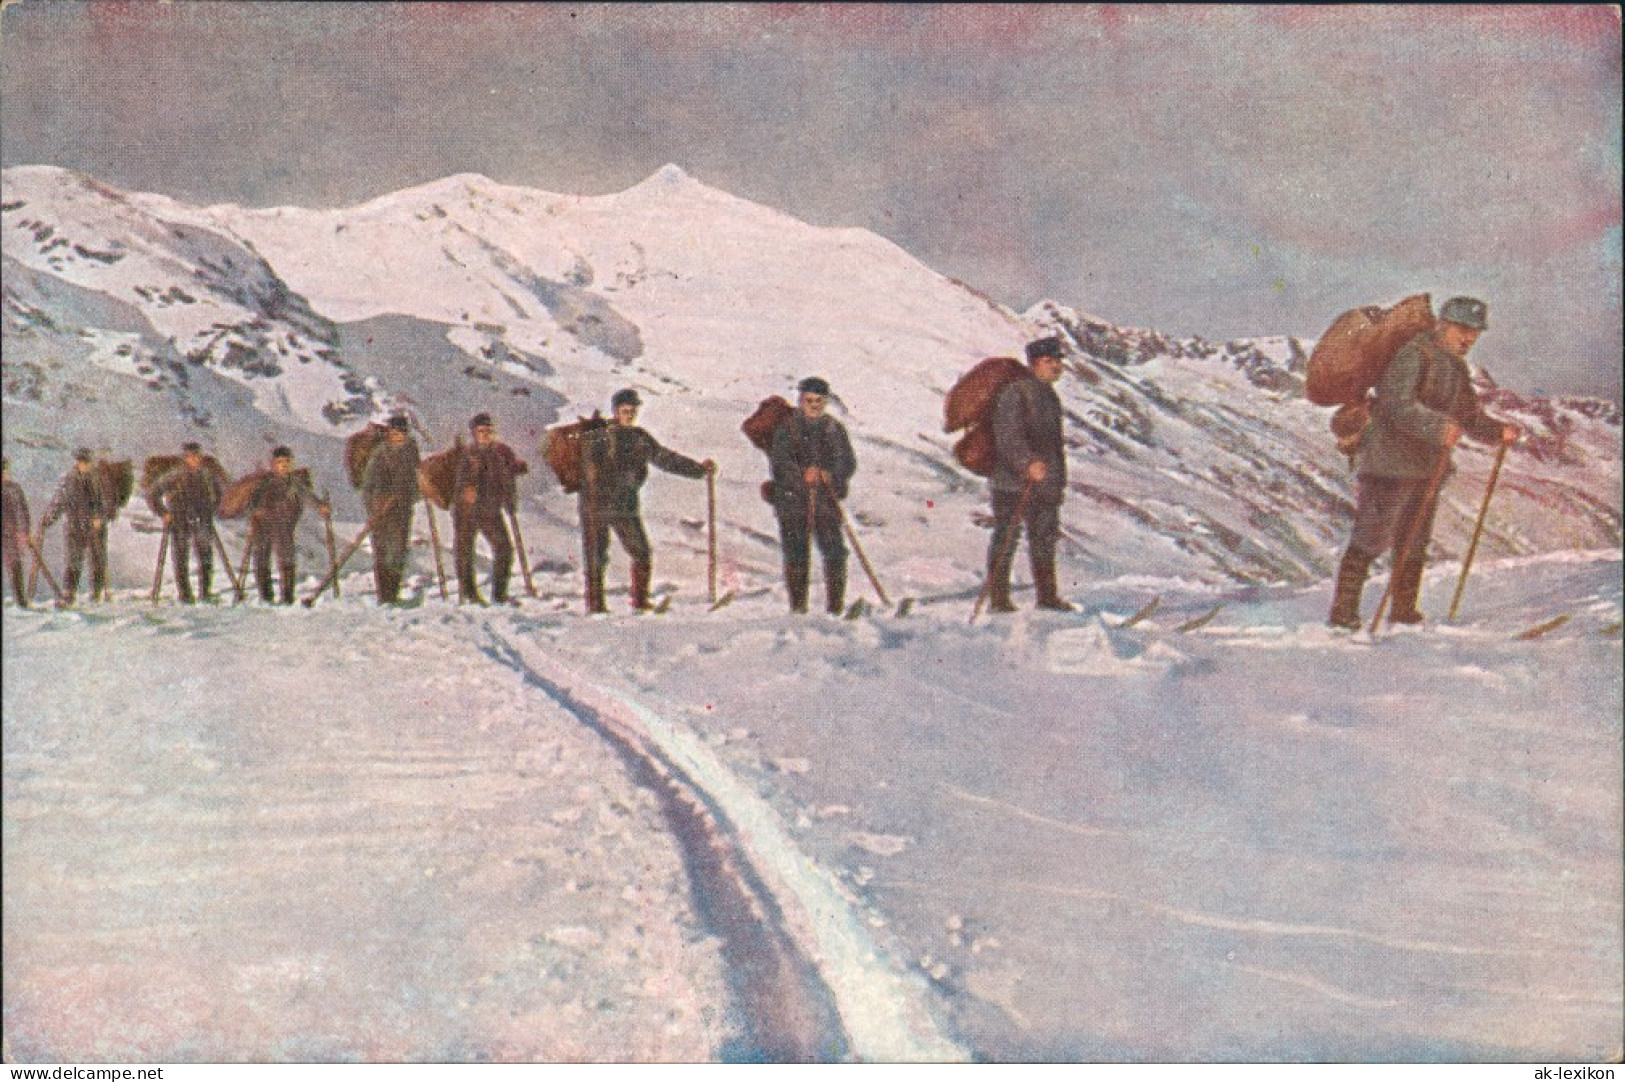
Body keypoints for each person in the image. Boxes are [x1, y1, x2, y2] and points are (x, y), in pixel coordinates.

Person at [1327, 296, 1519, 629]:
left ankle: (1403, 613)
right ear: (1443, 324)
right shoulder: (1413, 356)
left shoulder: (1454, 367)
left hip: (1427, 469)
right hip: (1389, 467)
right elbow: (1396, 406)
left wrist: (1496, 431)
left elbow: (1468, 415)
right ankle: (1343, 615)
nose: (1469, 338)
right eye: (1463, 329)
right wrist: (1437, 426)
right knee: (1370, 539)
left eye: (1475, 332)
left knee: (1413, 543)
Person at [579, 388, 714, 613]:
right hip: (596, 505)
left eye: (633, 410)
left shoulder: (640, 437)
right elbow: (589, 469)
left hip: (625, 505)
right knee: (596, 557)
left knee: (641, 552)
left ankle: (640, 601)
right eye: (625, 410)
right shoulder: (600, 436)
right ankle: (596, 607)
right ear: (615, 411)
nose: (630, 415)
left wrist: (698, 470)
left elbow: (664, 458)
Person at [984, 337, 1075, 613]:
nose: (1056, 367)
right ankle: (999, 600)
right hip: (1012, 483)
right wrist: (1027, 464)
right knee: (1007, 537)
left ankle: (1047, 598)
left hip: (1044, 484)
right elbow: (1008, 436)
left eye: (1058, 361)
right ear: (1034, 364)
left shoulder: (1048, 395)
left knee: (1044, 537)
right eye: (1050, 362)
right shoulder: (1016, 393)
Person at [769, 377, 856, 614]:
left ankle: (835, 607)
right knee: (797, 553)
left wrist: (830, 474)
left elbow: (847, 461)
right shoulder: (787, 428)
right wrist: (802, 475)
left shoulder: (833, 428)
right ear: (800, 400)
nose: (814, 405)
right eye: (809, 400)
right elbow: (780, 464)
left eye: (819, 401)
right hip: (792, 501)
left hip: (825, 501)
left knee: (835, 551)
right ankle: (798, 609)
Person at [451, 413, 528, 606]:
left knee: (505, 550)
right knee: (464, 552)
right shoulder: (467, 455)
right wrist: (467, 492)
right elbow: (459, 484)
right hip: (467, 512)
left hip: (490, 511)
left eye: (488, 431)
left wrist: (510, 502)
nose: (485, 435)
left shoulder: (497, 454)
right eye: (481, 431)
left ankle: (499, 595)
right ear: (474, 434)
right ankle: (469, 594)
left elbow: (506, 480)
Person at [246, 446, 330, 605]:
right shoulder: (264, 483)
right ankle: (265, 596)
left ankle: (287, 597)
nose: (282, 465)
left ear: (291, 463)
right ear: (273, 464)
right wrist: (255, 512)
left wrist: (320, 506)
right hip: (264, 525)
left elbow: (307, 496)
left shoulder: (294, 483)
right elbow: (252, 503)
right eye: (279, 462)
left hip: (284, 526)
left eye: (286, 462)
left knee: (287, 560)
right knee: (262, 559)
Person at [147, 442, 224, 604]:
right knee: (181, 557)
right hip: (179, 519)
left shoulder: (207, 475)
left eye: (196, 456)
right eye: (190, 456)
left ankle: (205, 593)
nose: (194, 459)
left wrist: (211, 508)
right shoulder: (175, 476)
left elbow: (219, 494)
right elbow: (153, 493)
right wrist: (164, 513)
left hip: (202, 518)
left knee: (205, 556)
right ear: (185, 458)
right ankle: (185, 594)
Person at [360, 414, 421, 605]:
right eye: (394, 432)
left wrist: (412, 494)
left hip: (402, 510)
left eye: (401, 432)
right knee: (381, 551)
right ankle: (384, 595)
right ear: (389, 433)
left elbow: (416, 479)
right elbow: (368, 484)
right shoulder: (380, 453)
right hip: (381, 510)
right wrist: (375, 505)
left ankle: (392, 593)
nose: (398, 436)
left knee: (398, 552)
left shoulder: (412, 451)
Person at [41, 448, 114, 606]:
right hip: (75, 527)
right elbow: (58, 501)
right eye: (82, 462)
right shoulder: (68, 479)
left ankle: (97, 593)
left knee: (97, 560)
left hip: (96, 527)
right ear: (78, 462)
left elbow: (108, 502)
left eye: (87, 462)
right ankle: (69, 595)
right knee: (73, 560)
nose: (85, 465)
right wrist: (47, 520)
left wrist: (100, 518)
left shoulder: (99, 478)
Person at [3, 458, 32, 608]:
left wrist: (24, 531)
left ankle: (20, 600)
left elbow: (23, 512)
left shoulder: (15, 488)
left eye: (4, 470)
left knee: (15, 566)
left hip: (11, 535)